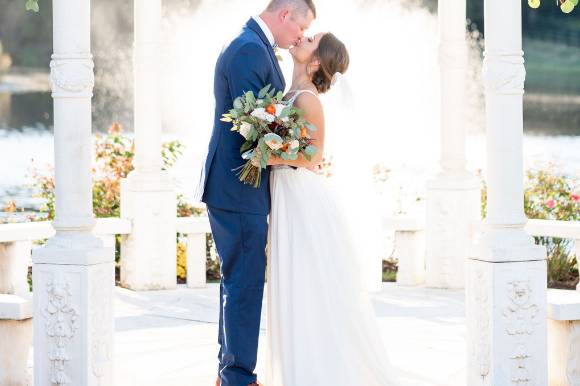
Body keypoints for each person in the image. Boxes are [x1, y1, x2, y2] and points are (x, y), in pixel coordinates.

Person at [265, 32, 401, 385]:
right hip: (286, 190)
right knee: (293, 280)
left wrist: (267, 155)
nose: (301, 37)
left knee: (306, 283)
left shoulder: (308, 99)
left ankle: (315, 370)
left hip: (300, 196)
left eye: (310, 39)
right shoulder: (289, 92)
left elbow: (314, 154)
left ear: (314, 62)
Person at [195, 1, 316, 385]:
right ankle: (238, 378)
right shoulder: (248, 49)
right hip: (237, 187)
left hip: (237, 187)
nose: (300, 37)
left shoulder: (254, 45)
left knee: (238, 280)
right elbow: (252, 129)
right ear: (285, 16)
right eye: (302, 27)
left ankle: (228, 371)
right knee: (244, 283)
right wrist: (299, 156)